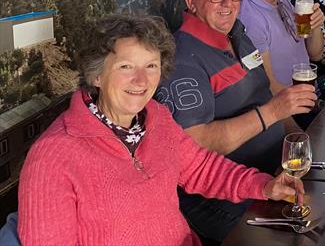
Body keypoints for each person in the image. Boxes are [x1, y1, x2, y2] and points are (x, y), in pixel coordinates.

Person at [19, 14, 304, 246]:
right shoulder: (53, 157)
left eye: (151, 66)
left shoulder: (155, 118)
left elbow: (203, 168)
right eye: (126, 66)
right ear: (96, 74)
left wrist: (264, 186)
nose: (141, 79)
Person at [158, 0, 317, 243]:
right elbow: (196, 142)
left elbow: (265, 95)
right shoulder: (183, 60)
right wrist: (272, 112)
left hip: (275, 173)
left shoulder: (237, 34)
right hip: (222, 198)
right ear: (191, 1)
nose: (228, 3)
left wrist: (299, 138)